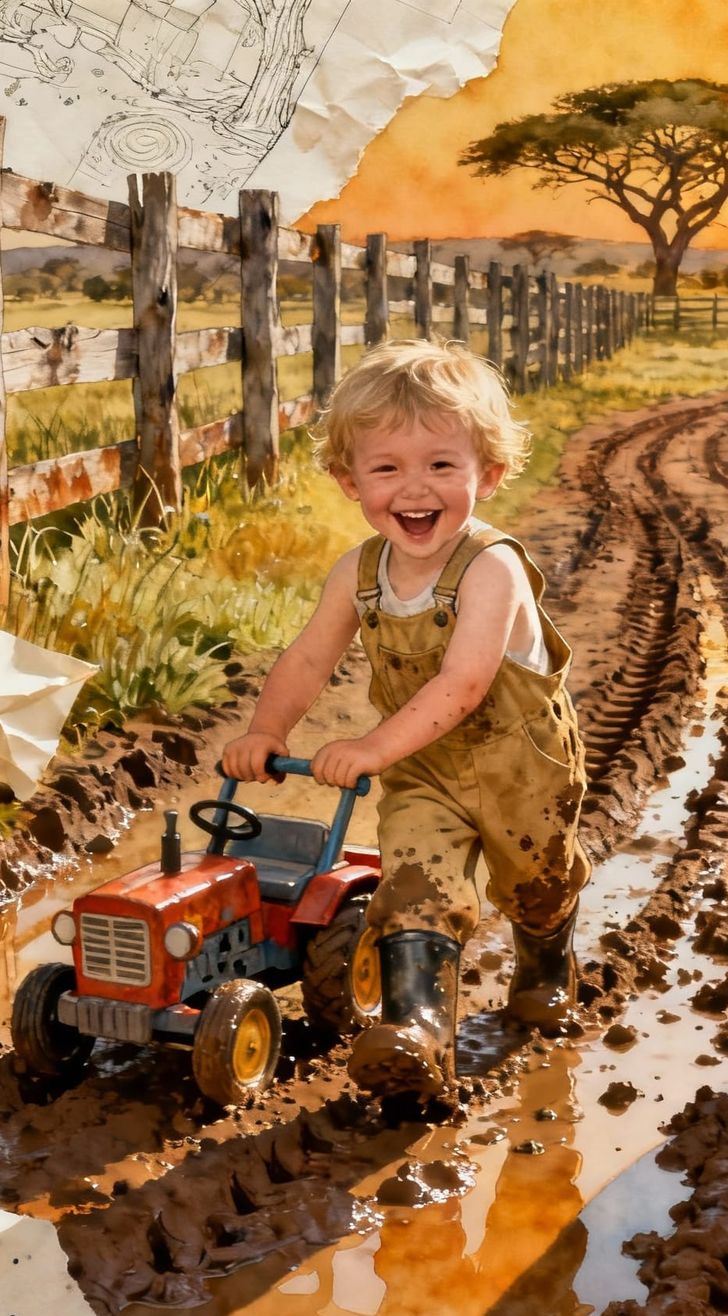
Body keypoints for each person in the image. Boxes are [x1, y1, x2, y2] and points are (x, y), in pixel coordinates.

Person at [222, 339, 590, 1102]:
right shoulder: (358, 572)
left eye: (441, 467)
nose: (414, 489)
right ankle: (417, 1029)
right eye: (387, 468)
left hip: (522, 766)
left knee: (536, 885)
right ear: (348, 479)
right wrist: (267, 730)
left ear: (488, 473)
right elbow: (306, 658)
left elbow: (462, 685)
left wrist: (368, 746)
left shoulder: (493, 567)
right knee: (414, 886)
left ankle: (548, 957)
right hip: (426, 771)